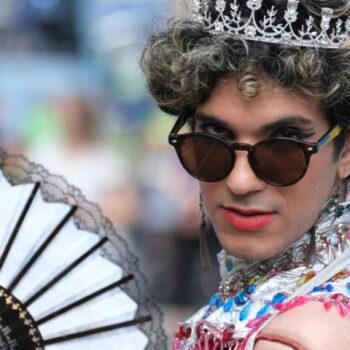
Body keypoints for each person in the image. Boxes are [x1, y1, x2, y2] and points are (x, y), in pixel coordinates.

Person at [141, 0, 350, 349]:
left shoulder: (291, 340)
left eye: (285, 146)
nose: (240, 181)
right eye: (212, 140)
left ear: (345, 151)